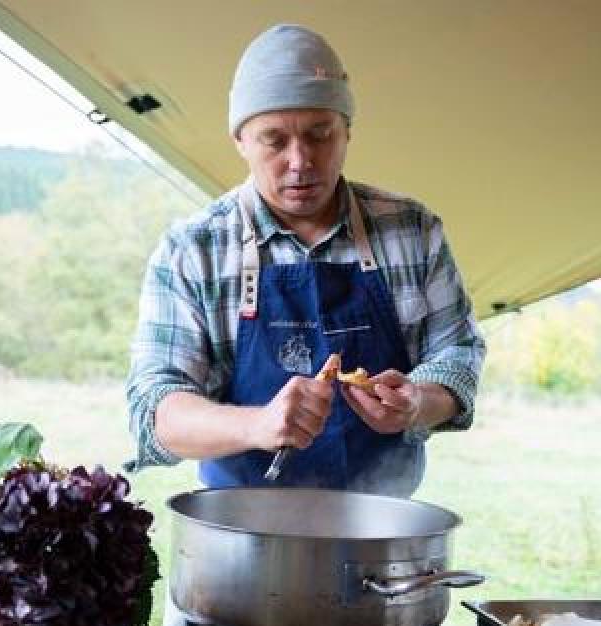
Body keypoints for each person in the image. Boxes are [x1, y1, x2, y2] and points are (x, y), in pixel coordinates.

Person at [126, 24, 485, 498]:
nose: (300, 161)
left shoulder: (411, 230)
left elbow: (456, 354)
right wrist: (258, 425)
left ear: (347, 131)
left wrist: (418, 403)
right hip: (240, 531)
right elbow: (156, 410)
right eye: (274, 140)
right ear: (240, 140)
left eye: (320, 134)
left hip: (380, 524)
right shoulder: (194, 249)